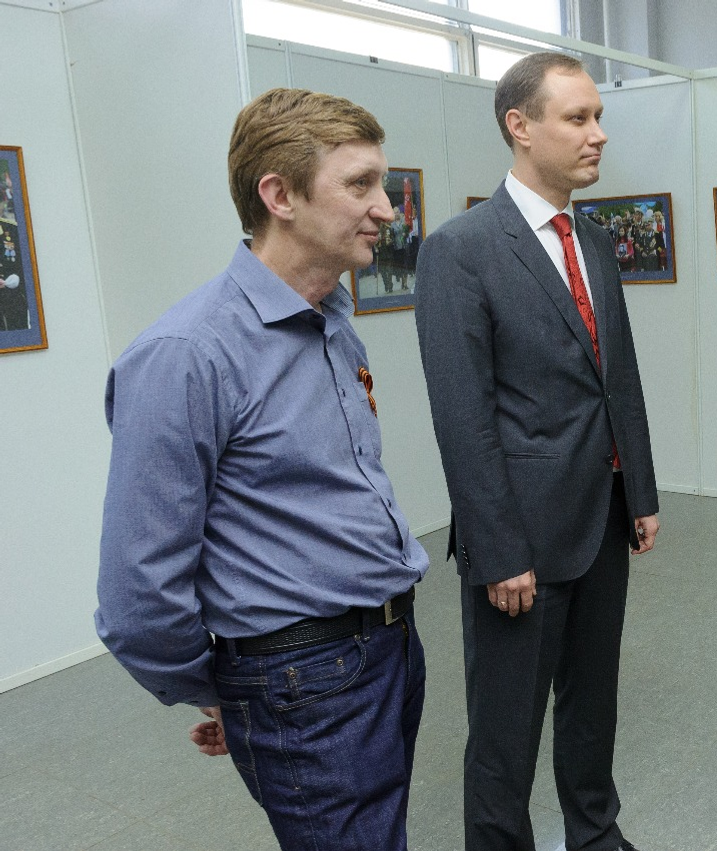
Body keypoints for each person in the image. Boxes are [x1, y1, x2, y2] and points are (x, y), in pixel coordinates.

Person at [95, 88, 430, 850]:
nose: (386, 209)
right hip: (304, 678)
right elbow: (136, 595)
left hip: (387, 649)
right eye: (360, 184)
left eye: (382, 184)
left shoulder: (332, 323)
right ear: (279, 196)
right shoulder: (187, 355)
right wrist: (227, 689)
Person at [414, 52, 660, 851]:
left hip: (602, 519)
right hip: (519, 540)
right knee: (505, 731)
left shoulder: (593, 242)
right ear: (519, 127)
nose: (599, 134)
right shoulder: (460, 250)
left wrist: (641, 490)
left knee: (594, 707)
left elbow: (617, 376)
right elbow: (463, 417)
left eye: (598, 117)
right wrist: (496, 549)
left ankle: (595, 833)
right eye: (578, 118)